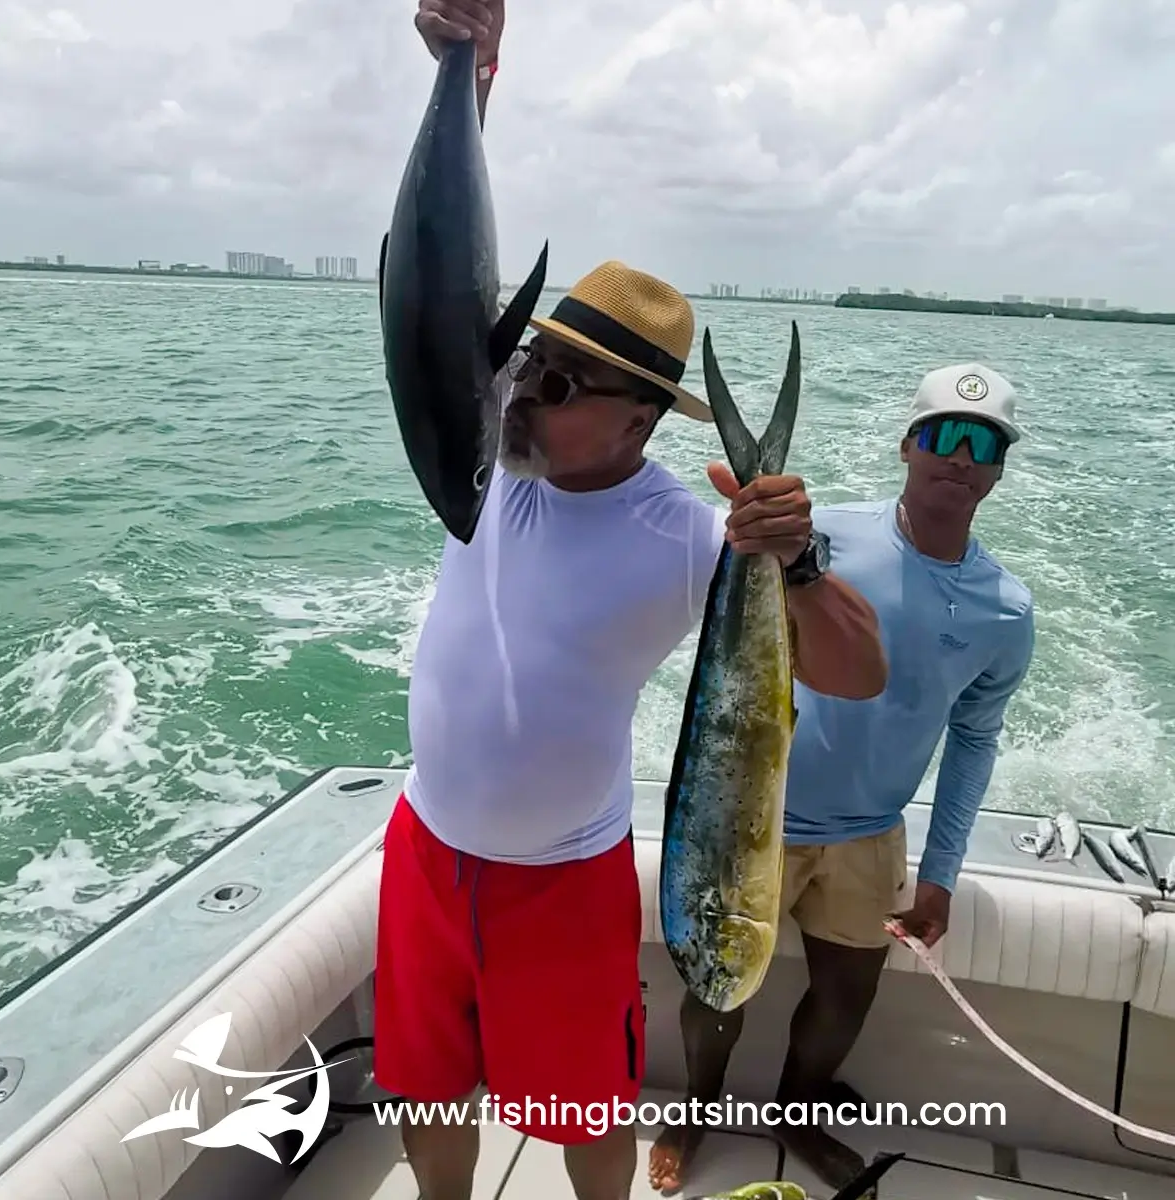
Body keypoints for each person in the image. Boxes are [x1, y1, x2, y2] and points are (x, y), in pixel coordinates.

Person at [373, 8, 889, 1199]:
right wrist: (470, 69)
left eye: (554, 381)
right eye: (527, 360)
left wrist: (795, 560)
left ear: (640, 419)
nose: (521, 390)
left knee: (582, 1109)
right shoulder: (498, 436)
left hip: (565, 876)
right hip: (424, 849)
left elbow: (856, 676)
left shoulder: (689, 538)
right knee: (423, 1081)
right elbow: (441, 272)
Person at [649, 362, 1036, 1194]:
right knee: (716, 988)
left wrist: (940, 875)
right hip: (753, 817)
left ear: (1000, 468)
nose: (959, 457)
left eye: (982, 444)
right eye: (942, 436)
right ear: (908, 445)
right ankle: (692, 1110)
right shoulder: (825, 537)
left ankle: (797, 1114)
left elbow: (974, 744)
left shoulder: (1007, 609)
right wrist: (764, 528)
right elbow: (742, 616)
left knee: (847, 993)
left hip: (869, 831)